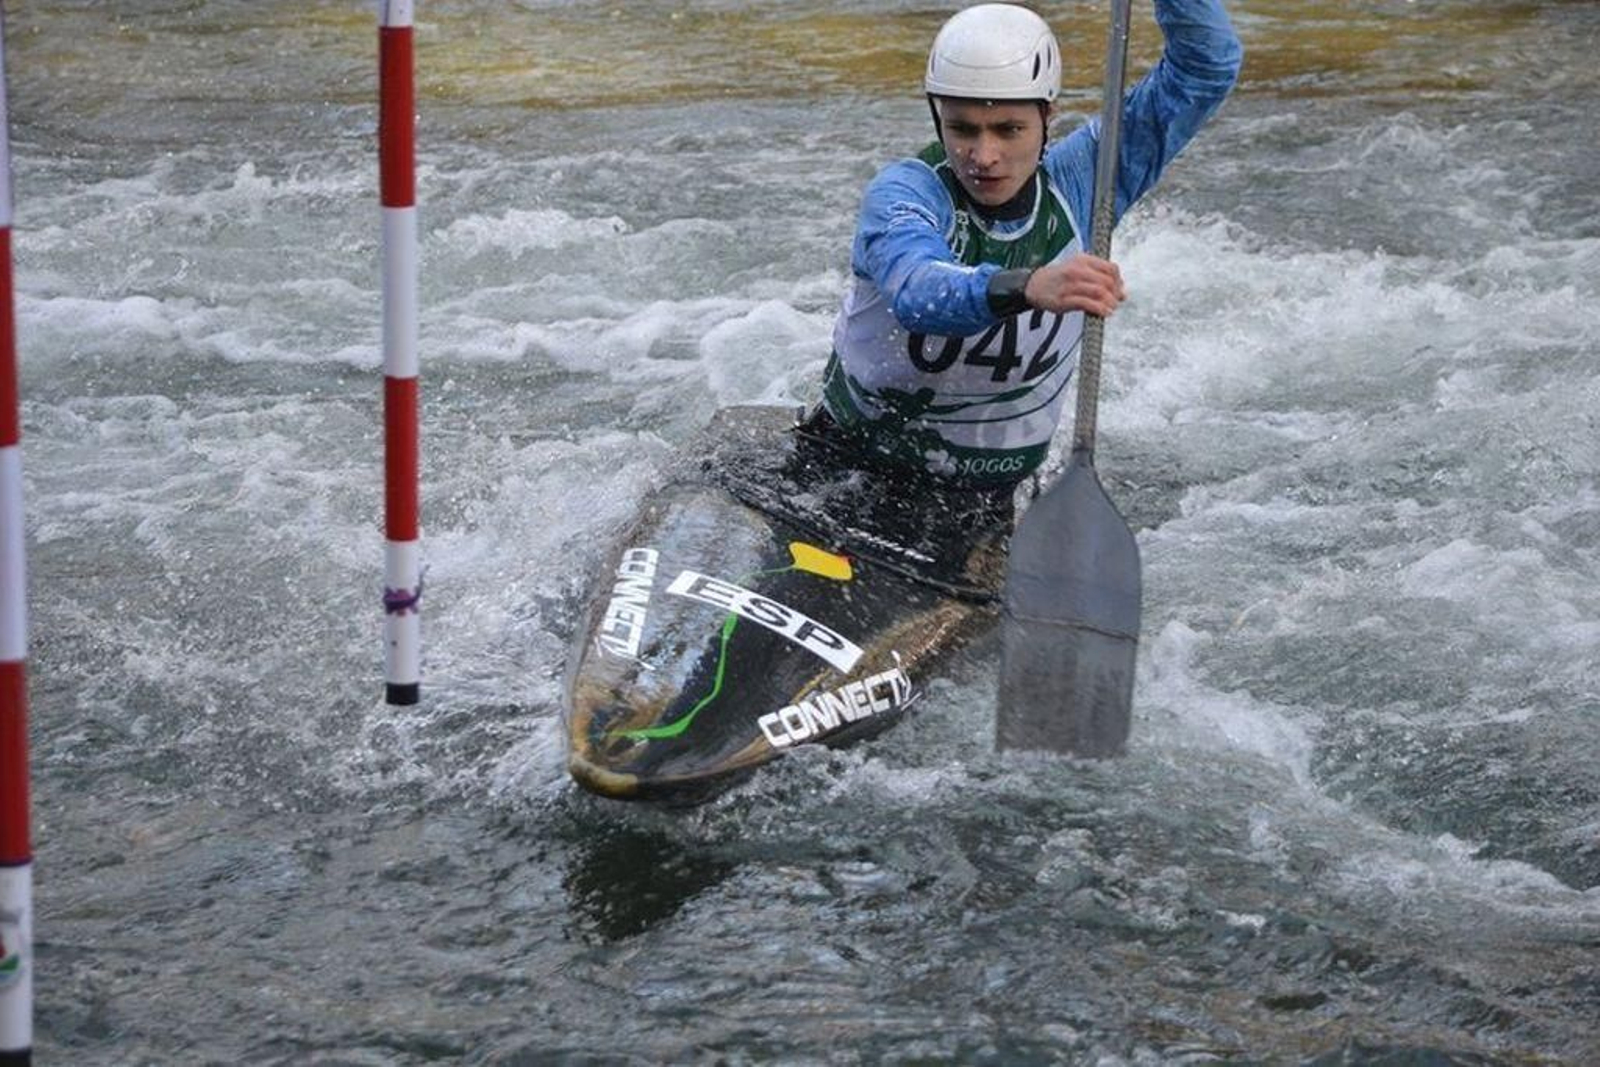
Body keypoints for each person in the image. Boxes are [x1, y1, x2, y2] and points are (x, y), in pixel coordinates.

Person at [809, 0, 1242, 490]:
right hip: (843, 468)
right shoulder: (905, 194)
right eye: (962, 129)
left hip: (987, 495)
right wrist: (1030, 286)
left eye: (1009, 129)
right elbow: (918, 292)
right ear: (939, 120)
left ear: (1048, 116)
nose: (984, 156)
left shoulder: (1086, 182)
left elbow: (1205, 69)